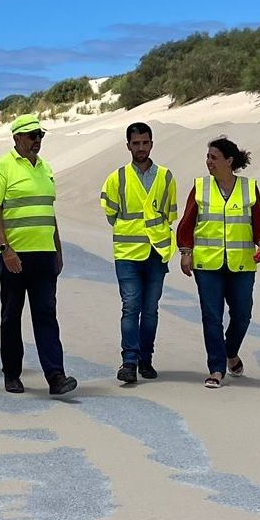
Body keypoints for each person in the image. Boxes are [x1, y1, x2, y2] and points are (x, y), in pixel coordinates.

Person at [0, 114, 78, 396]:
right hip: (14, 256)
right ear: (17, 138)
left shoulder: (46, 168)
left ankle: (56, 376)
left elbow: (48, 213)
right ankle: (12, 374)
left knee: (46, 316)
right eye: (31, 136)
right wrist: (5, 250)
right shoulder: (1, 168)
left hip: (44, 255)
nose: (37, 140)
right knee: (11, 317)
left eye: (40, 135)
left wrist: (58, 250)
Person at [177, 137, 260, 388]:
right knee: (211, 316)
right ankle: (216, 369)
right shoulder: (200, 187)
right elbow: (187, 222)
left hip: (241, 264)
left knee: (242, 314)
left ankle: (231, 352)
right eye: (207, 157)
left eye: (213, 157)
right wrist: (185, 251)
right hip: (207, 265)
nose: (208, 162)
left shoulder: (249, 188)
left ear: (229, 161)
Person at [101, 122, 177, 383]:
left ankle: (146, 358)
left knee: (151, 308)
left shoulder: (166, 177)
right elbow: (111, 213)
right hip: (127, 253)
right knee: (130, 306)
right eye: (136, 143)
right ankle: (129, 361)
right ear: (128, 146)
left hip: (157, 252)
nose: (141, 148)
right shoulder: (117, 178)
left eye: (145, 143)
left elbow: (169, 215)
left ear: (152, 144)